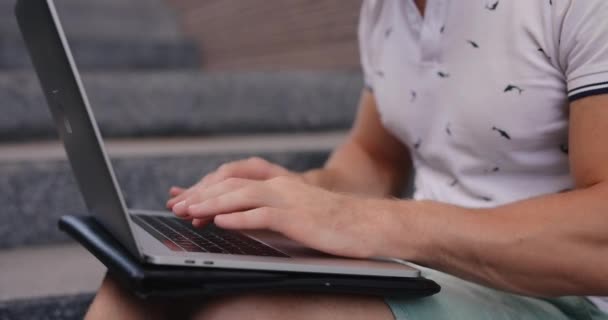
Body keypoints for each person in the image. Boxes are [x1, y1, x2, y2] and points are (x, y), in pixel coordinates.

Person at [85, 0, 608, 319]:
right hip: (426, 265)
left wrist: (377, 221)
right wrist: (300, 194)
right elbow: (374, 155)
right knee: (144, 287)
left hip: (565, 298)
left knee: (247, 315)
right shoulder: (385, 9)